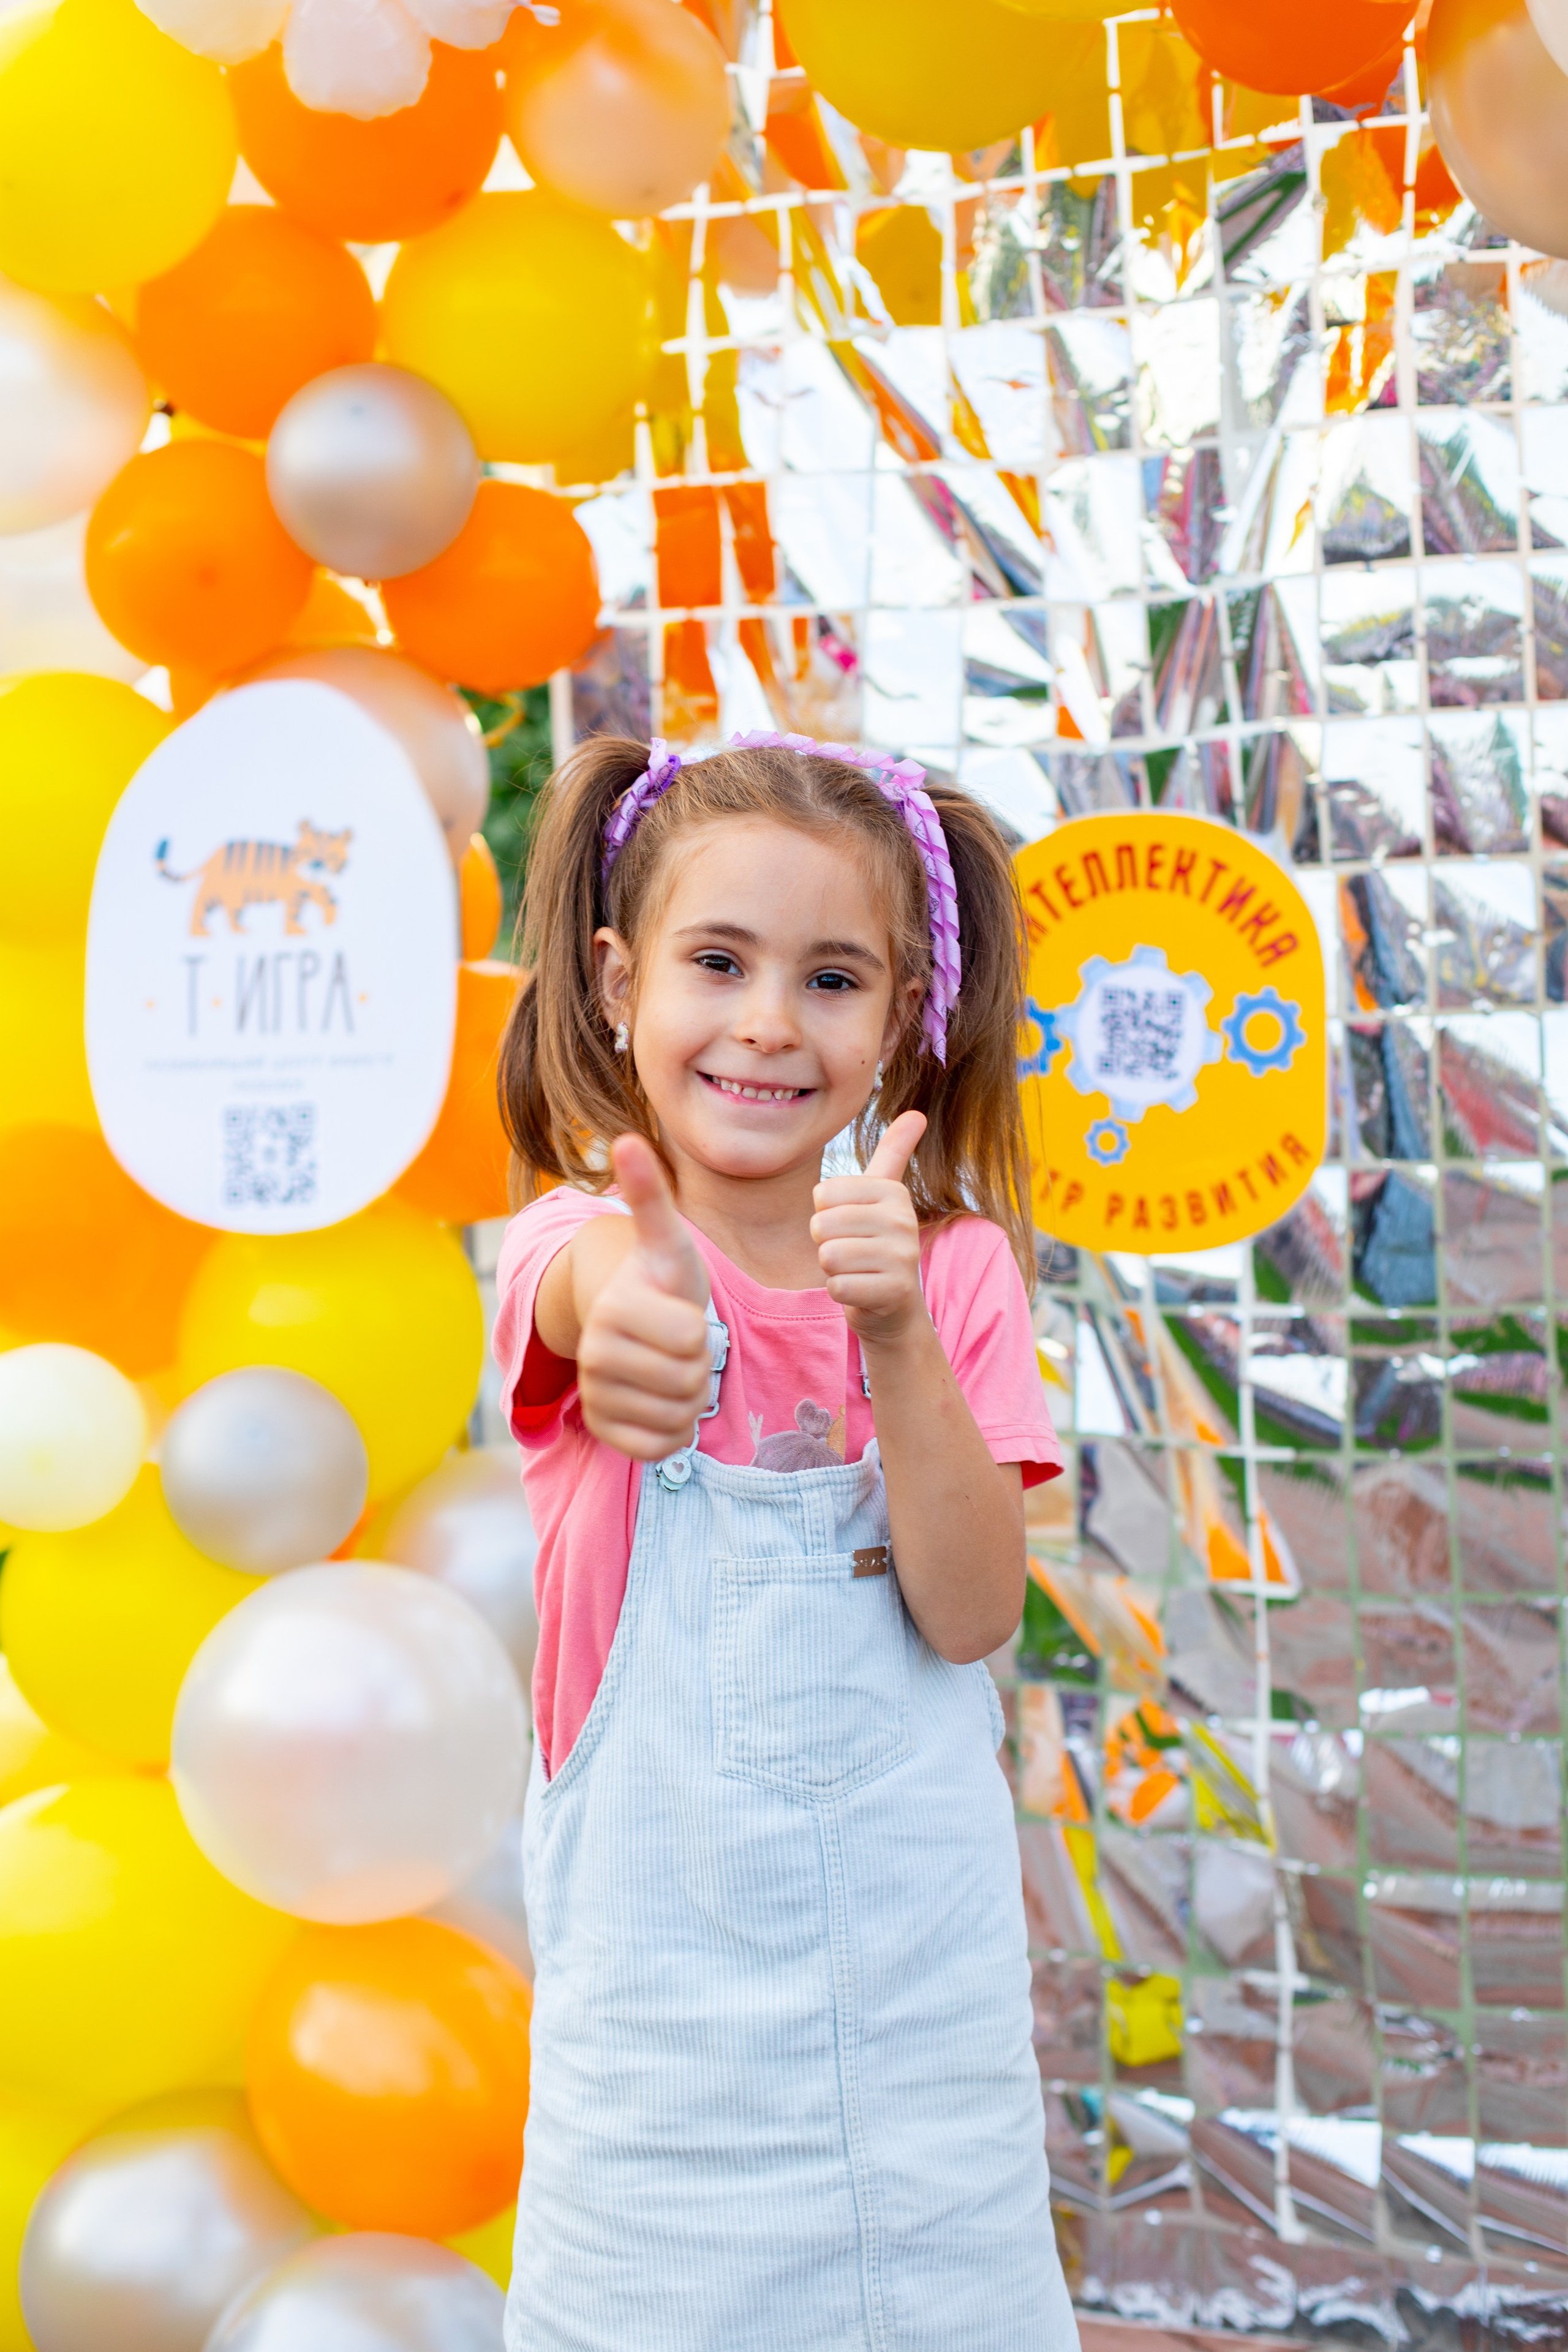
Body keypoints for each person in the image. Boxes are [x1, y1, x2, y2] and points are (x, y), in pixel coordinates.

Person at [491, 728, 1078, 2352]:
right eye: (718, 962)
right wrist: (637, 1326)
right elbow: (593, 1300)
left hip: (925, 2097)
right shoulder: (580, 1243)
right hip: (664, 2121)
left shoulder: (952, 1277)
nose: (765, 1022)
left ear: (905, 1018)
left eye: (831, 978)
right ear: (618, 983)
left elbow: (968, 1615)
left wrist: (889, 1329)